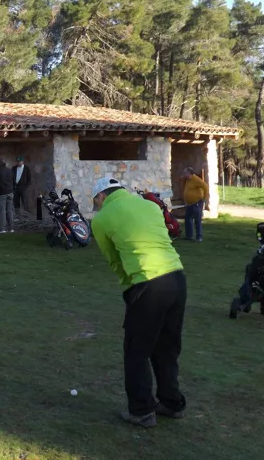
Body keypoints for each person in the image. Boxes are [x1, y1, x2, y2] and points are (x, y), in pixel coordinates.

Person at [90, 177, 187, 428]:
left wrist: (131, 286)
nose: (96, 206)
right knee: (166, 347)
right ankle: (171, 402)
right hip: (177, 278)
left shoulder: (101, 219)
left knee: (137, 350)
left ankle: (142, 411)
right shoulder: (149, 205)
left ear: (101, 196)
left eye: (95, 201)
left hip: (148, 284)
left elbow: (114, 259)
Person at [182, 167, 209, 242]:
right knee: (188, 219)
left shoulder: (196, 179)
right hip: (189, 203)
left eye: (185, 173)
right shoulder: (188, 180)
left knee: (197, 220)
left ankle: (199, 237)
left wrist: (204, 198)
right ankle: (189, 236)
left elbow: (205, 187)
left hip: (196, 203)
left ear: (189, 173)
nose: (184, 174)